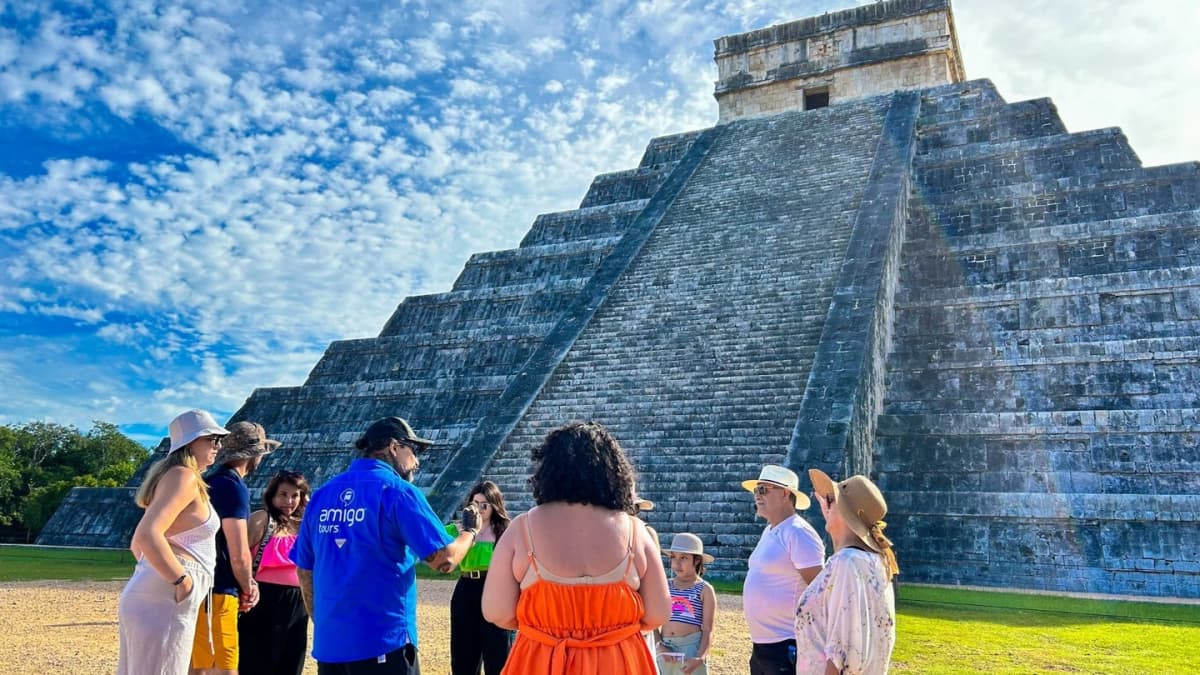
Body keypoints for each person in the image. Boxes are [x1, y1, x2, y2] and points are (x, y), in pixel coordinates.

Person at [291, 416, 478, 674]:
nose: (417, 460)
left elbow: (304, 570)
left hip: (331, 645)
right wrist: (469, 531)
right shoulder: (397, 491)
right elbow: (443, 560)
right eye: (414, 449)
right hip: (383, 642)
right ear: (393, 447)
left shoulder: (322, 495)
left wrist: (322, 621)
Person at [482, 421, 671, 674]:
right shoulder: (637, 531)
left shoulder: (521, 529)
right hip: (619, 662)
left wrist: (546, 623)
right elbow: (658, 613)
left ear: (550, 471)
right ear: (614, 473)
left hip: (541, 660)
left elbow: (497, 611)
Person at [117, 409, 229, 675]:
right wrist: (182, 581)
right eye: (212, 439)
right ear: (192, 443)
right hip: (168, 593)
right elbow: (146, 536)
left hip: (157, 590)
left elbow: (137, 543)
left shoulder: (174, 477)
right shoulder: (184, 476)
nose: (218, 446)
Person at [192, 420, 280, 674]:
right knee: (224, 667)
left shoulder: (210, 480)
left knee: (200, 665)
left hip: (203, 584)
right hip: (220, 589)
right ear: (255, 455)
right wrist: (248, 585)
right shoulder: (232, 486)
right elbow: (238, 551)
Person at [794, 470, 899, 675]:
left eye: (831, 500)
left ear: (843, 510)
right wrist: (833, 513)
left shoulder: (847, 563)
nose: (826, 504)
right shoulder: (874, 561)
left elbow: (841, 655)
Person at [741, 465, 825, 675]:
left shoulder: (798, 532)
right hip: (764, 645)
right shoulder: (771, 531)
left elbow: (821, 590)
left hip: (787, 643)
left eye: (763, 490)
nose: (757, 497)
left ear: (785, 493)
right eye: (756, 491)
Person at [238, 470, 311, 675]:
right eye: (283, 494)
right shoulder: (262, 519)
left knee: (291, 660)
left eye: (295, 495)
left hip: (298, 600)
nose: (289, 501)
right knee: (256, 660)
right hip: (264, 597)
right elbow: (238, 555)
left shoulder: (303, 526)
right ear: (272, 496)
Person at [447, 480, 515, 675]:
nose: (479, 510)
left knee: (498, 653)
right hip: (466, 588)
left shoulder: (506, 531)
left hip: (495, 589)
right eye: (474, 504)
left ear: (494, 506)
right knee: (463, 655)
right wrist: (464, 534)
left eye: (484, 505)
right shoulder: (457, 531)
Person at [654, 533, 717, 675]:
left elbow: (708, 629)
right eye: (673, 557)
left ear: (696, 561)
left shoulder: (704, 589)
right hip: (665, 648)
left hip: (691, 649)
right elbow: (652, 620)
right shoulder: (665, 586)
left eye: (683, 558)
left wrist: (700, 657)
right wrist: (659, 646)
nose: (677, 563)